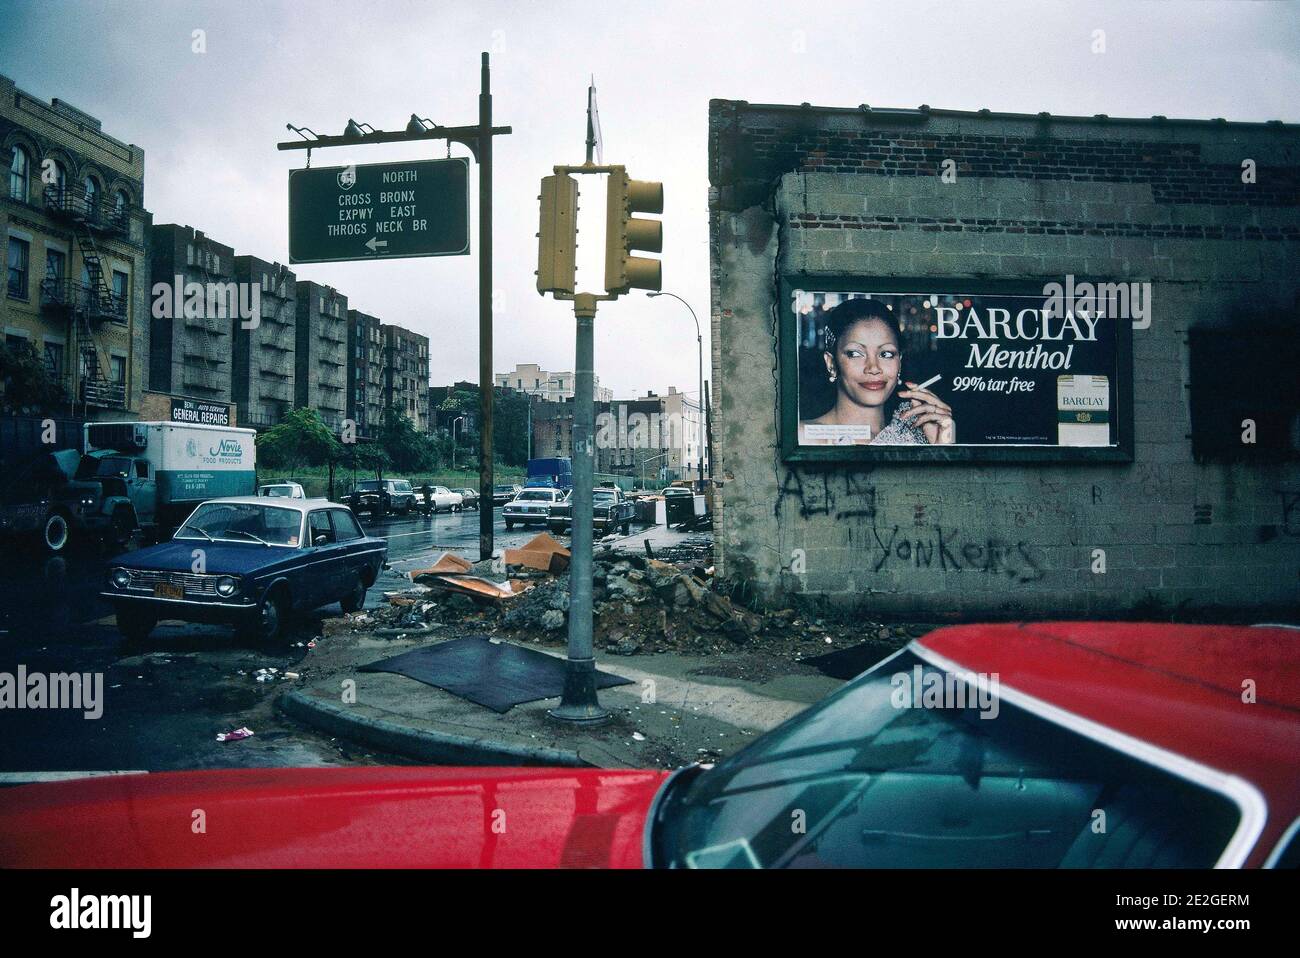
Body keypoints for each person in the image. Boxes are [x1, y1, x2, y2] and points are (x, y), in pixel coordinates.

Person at [798, 298, 955, 445]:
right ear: (831, 363)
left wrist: (941, 448)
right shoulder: (804, 436)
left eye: (886, 354)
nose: (873, 368)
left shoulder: (923, 436)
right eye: (855, 353)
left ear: (899, 362)